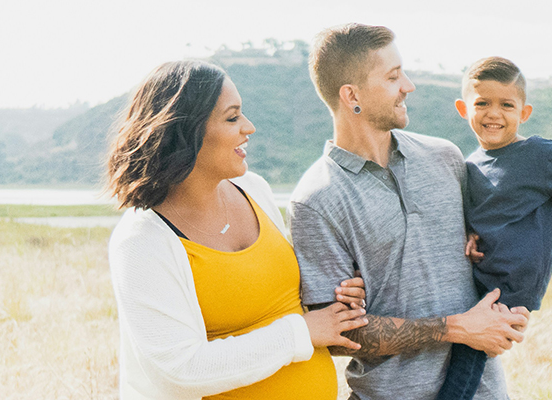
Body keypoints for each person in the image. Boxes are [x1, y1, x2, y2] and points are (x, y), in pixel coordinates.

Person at [289, 23, 529, 400]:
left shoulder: (445, 157)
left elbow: (490, 245)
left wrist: (509, 309)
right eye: (393, 76)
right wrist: (453, 328)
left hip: (484, 391)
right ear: (352, 95)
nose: (408, 85)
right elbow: (339, 334)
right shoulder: (316, 200)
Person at [104, 60, 370, 399]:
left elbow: (277, 298)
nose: (249, 127)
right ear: (186, 132)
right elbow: (181, 370)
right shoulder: (142, 241)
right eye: (232, 117)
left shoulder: (254, 189)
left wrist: (339, 293)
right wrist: (300, 333)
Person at [436, 56, 552, 400]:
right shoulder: (469, 165)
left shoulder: (538, 155)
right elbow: (480, 215)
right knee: (459, 353)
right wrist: (469, 235)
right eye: (482, 103)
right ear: (462, 108)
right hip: (478, 278)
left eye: (506, 105)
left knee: (466, 361)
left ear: (524, 112)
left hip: (510, 287)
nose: (493, 113)